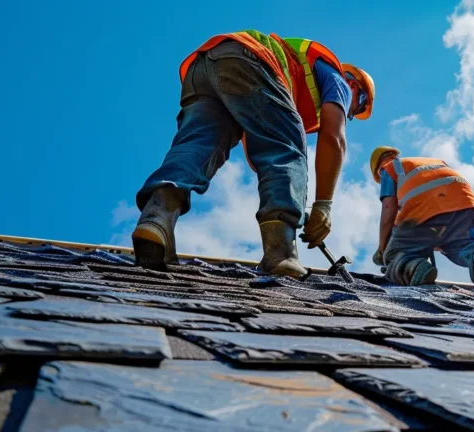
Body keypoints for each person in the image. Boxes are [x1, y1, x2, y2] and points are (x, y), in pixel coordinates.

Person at [131, 31, 375, 277]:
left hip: (205, 67)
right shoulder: (339, 82)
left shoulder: (293, 83)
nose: (352, 112)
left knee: (198, 146)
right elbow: (333, 140)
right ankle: (281, 255)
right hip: (252, 60)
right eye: (360, 104)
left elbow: (259, 155)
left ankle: (156, 219)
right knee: (289, 147)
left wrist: (296, 203)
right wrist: (323, 207)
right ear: (354, 86)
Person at [369, 146, 474, 293]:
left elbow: (388, 208)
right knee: (457, 246)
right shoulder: (431, 162)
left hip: (426, 208)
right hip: (467, 207)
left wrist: (383, 249)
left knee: (395, 254)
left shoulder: (388, 169)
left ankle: (415, 267)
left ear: (378, 172)